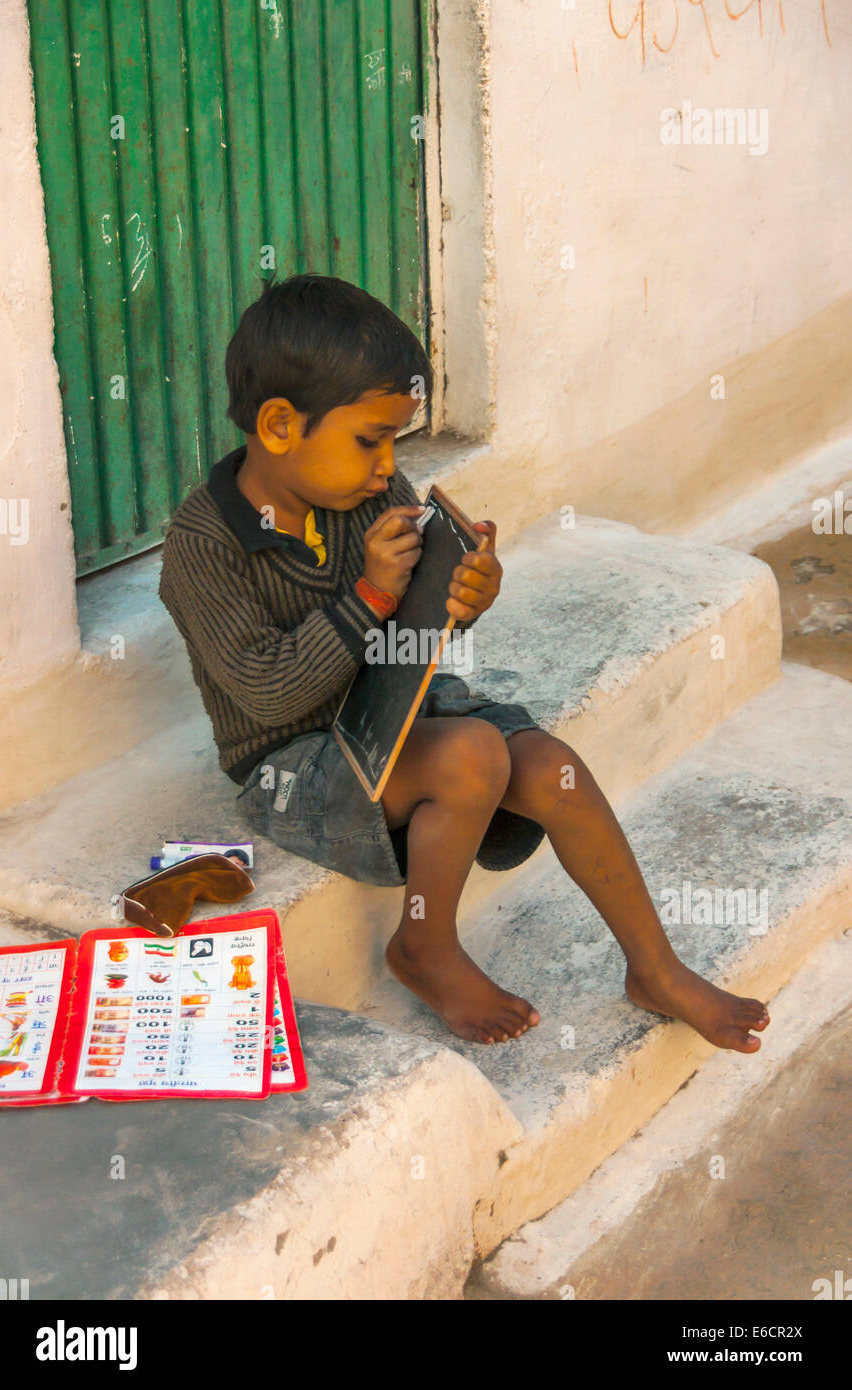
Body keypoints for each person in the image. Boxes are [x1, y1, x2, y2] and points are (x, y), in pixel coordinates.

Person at [159, 273, 770, 1051]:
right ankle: (424, 945)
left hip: (396, 710)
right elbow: (268, 694)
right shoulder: (203, 544)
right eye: (369, 440)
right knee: (473, 756)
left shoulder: (370, 496)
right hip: (294, 761)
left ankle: (656, 968)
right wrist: (369, 598)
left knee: (552, 769)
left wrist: (466, 587)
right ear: (280, 425)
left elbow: (419, 614)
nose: (388, 466)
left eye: (395, 442)